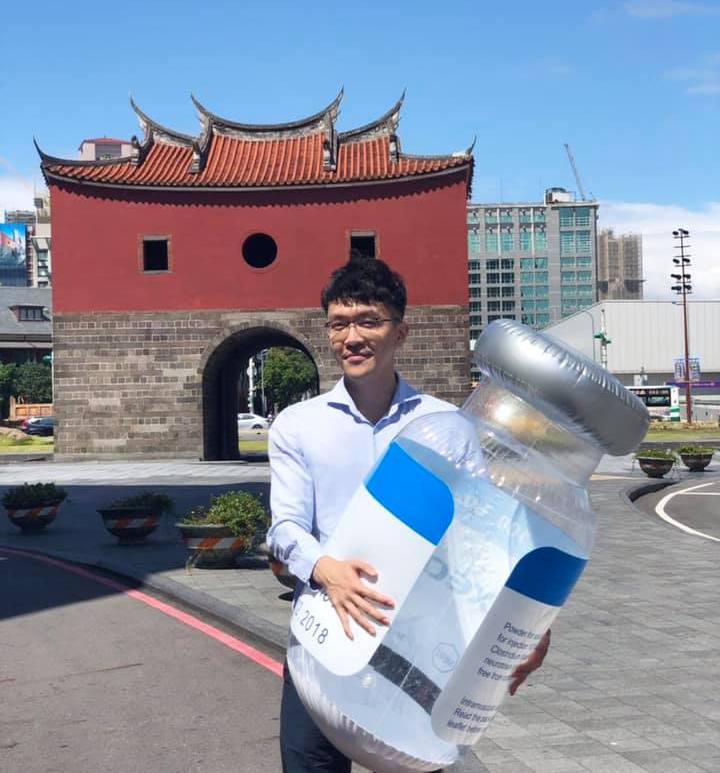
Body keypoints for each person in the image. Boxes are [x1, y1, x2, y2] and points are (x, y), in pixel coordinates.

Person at [267, 256, 550, 773]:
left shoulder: (446, 425)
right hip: (325, 635)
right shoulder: (298, 425)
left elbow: (479, 538)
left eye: (368, 321)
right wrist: (326, 570)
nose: (352, 337)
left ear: (400, 331)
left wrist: (526, 623)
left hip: (415, 648)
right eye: (338, 324)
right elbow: (285, 527)